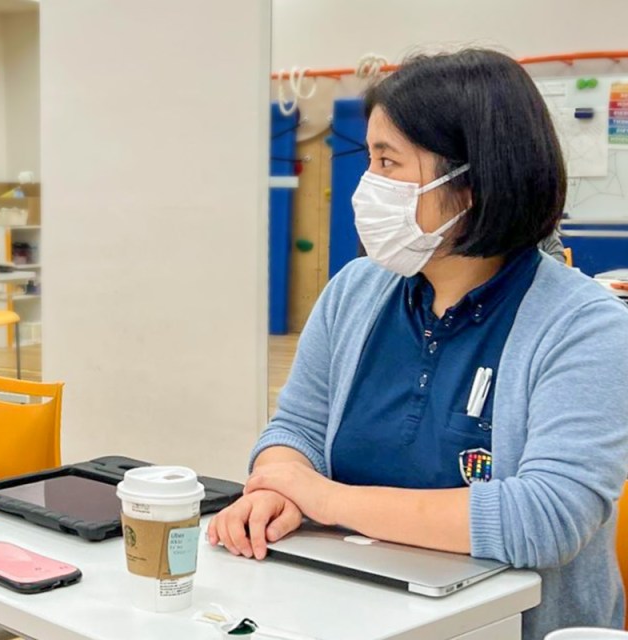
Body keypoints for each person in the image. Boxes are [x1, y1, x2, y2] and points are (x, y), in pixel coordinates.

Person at [209, 50, 628, 639]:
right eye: (370, 159)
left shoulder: (583, 324)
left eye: (389, 162)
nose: (368, 185)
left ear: (472, 182)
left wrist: (325, 499)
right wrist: (279, 483)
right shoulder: (355, 291)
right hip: (340, 606)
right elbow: (296, 428)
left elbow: (545, 519)